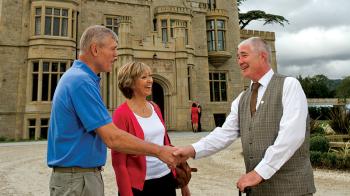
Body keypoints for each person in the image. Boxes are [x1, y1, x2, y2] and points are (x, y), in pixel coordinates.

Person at [47, 25, 178, 196]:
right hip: (77, 179)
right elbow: (112, 138)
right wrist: (159, 151)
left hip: (81, 176)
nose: (117, 55)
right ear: (95, 49)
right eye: (113, 49)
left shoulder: (82, 78)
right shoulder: (81, 81)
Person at [174, 37, 316, 195]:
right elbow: (225, 133)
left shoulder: (289, 85)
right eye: (238, 57)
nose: (239, 61)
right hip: (257, 191)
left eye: (244, 55)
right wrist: (190, 150)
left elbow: (292, 135)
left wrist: (260, 172)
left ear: (262, 56)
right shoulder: (242, 98)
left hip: (292, 189)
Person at [111, 61, 190, 196]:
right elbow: (119, 163)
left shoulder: (155, 107)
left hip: (166, 178)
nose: (150, 80)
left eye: (150, 76)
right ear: (130, 82)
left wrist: (182, 178)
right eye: (144, 77)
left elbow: (165, 143)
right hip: (140, 185)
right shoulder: (121, 114)